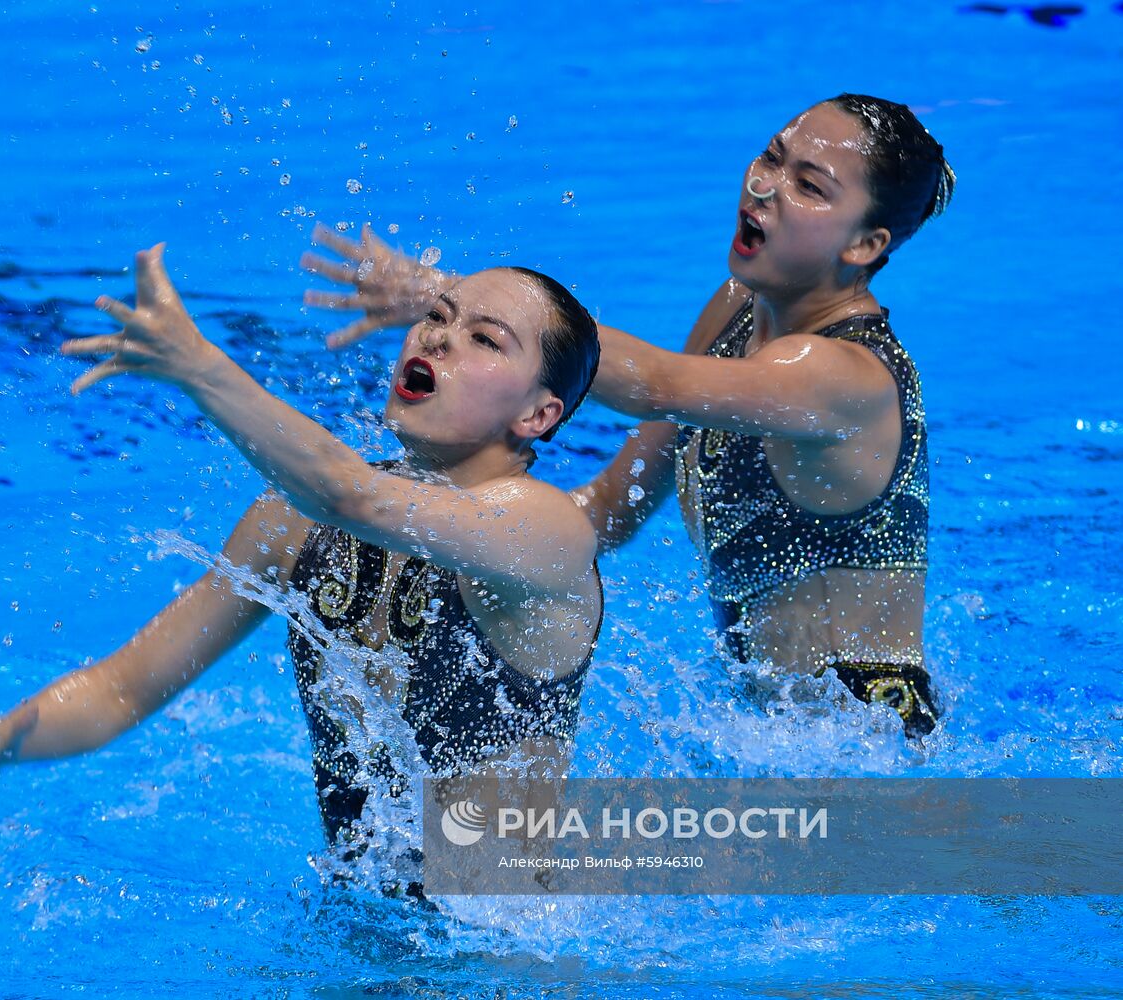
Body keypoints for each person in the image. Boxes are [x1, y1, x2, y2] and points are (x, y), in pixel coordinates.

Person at [0, 247, 604, 882]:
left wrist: (198, 366)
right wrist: (4, 740)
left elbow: (348, 491)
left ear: (538, 416)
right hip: (358, 927)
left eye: (484, 339)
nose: (439, 337)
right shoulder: (293, 521)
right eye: (437, 316)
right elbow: (125, 688)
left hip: (501, 960)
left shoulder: (545, 531)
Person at [301, 94, 954, 738]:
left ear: (866, 244)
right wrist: (443, 525)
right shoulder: (736, 310)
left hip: (865, 743)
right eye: (772, 157)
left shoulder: (845, 376)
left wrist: (449, 296)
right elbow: (613, 505)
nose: (765, 186)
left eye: (808, 186)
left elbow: (653, 384)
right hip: (766, 728)